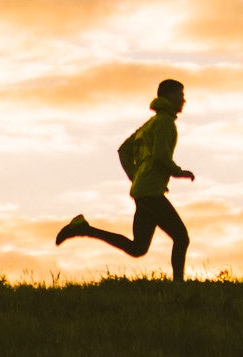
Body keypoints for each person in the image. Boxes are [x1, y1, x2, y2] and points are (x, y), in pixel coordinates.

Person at [55, 77, 194, 279]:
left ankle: (84, 229)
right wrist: (179, 172)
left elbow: (124, 150)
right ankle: (179, 286)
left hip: (144, 191)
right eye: (181, 95)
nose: (184, 100)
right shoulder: (164, 122)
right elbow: (160, 156)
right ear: (169, 96)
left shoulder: (151, 123)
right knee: (181, 238)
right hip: (151, 192)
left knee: (138, 248)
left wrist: (137, 177)